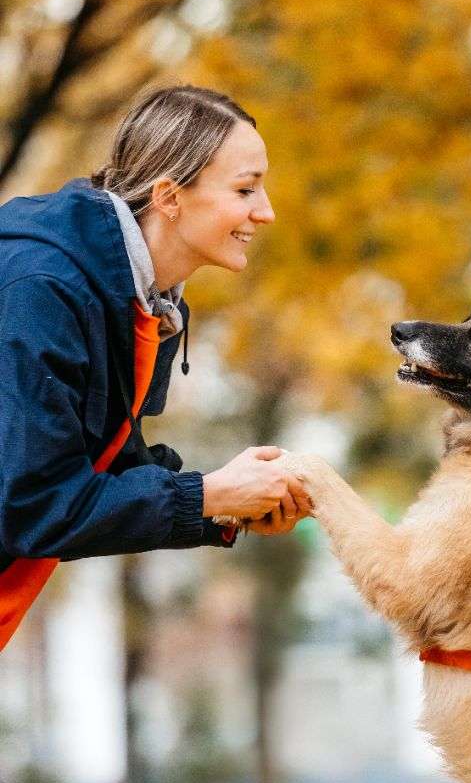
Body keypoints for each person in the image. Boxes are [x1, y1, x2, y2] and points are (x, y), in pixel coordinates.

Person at [0, 84, 310, 651]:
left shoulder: (141, 301)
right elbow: (35, 508)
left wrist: (230, 507)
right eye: (245, 189)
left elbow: (101, 472)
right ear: (169, 196)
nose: (265, 212)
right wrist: (210, 496)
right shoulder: (43, 291)